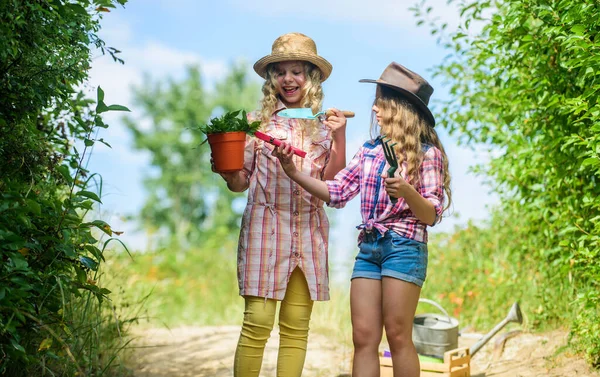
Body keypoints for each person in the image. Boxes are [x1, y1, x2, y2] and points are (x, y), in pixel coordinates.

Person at [273, 62, 452, 377]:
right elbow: (338, 191)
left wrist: (408, 192)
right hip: (369, 248)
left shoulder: (428, 155)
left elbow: (432, 214)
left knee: (397, 336)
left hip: (404, 247)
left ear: (401, 108)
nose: (374, 108)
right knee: (363, 338)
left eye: (381, 101)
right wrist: (293, 172)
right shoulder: (369, 150)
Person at [213, 32, 348, 377]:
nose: (288, 79)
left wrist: (340, 135)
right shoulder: (254, 124)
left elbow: (333, 183)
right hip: (265, 225)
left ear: (311, 77)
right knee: (257, 322)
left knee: (295, 325)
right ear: (271, 79)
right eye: (280, 72)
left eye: (296, 71)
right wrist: (227, 172)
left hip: (308, 230)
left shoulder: (324, 127)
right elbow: (240, 181)